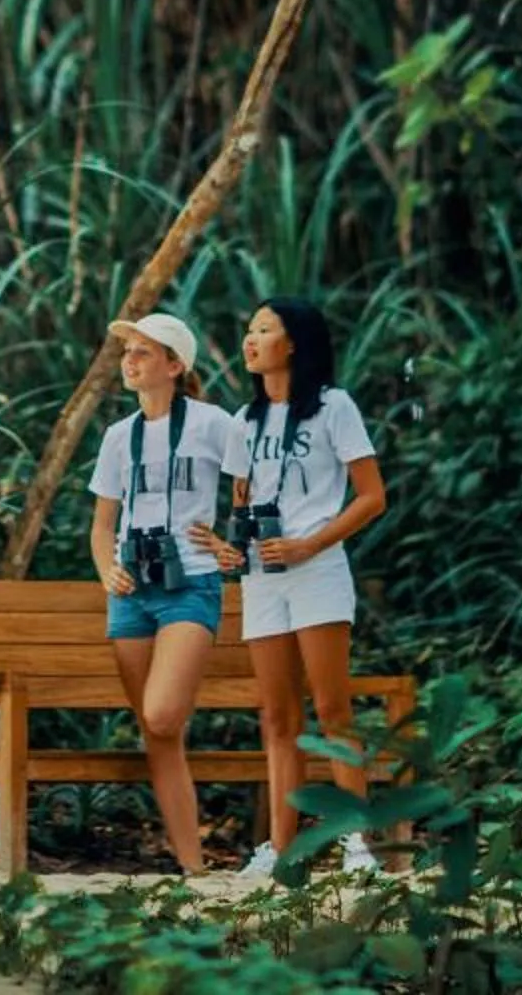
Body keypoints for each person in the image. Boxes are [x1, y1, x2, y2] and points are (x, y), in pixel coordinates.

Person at [214, 297, 388, 879]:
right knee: (277, 717)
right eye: (248, 329)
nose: (250, 339)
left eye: (263, 329)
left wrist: (310, 544)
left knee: (333, 709)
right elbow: (241, 504)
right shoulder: (245, 421)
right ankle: (280, 848)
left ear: (294, 344)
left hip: (317, 571)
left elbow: (371, 497)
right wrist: (229, 548)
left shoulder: (333, 408)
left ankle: (357, 842)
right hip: (264, 578)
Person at [86, 311, 244, 875]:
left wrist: (235, 540)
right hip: (131, 588)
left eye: (144, 351)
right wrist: (108, 571)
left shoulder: (211, 423)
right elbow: (102, 525)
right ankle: (194, 869)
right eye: (127, 351)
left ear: (175, 366)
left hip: (191, 581)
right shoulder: (116, 437)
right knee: (159, 735)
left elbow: (255, 481)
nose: (130, 360)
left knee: (160, 713)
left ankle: (195, 862)